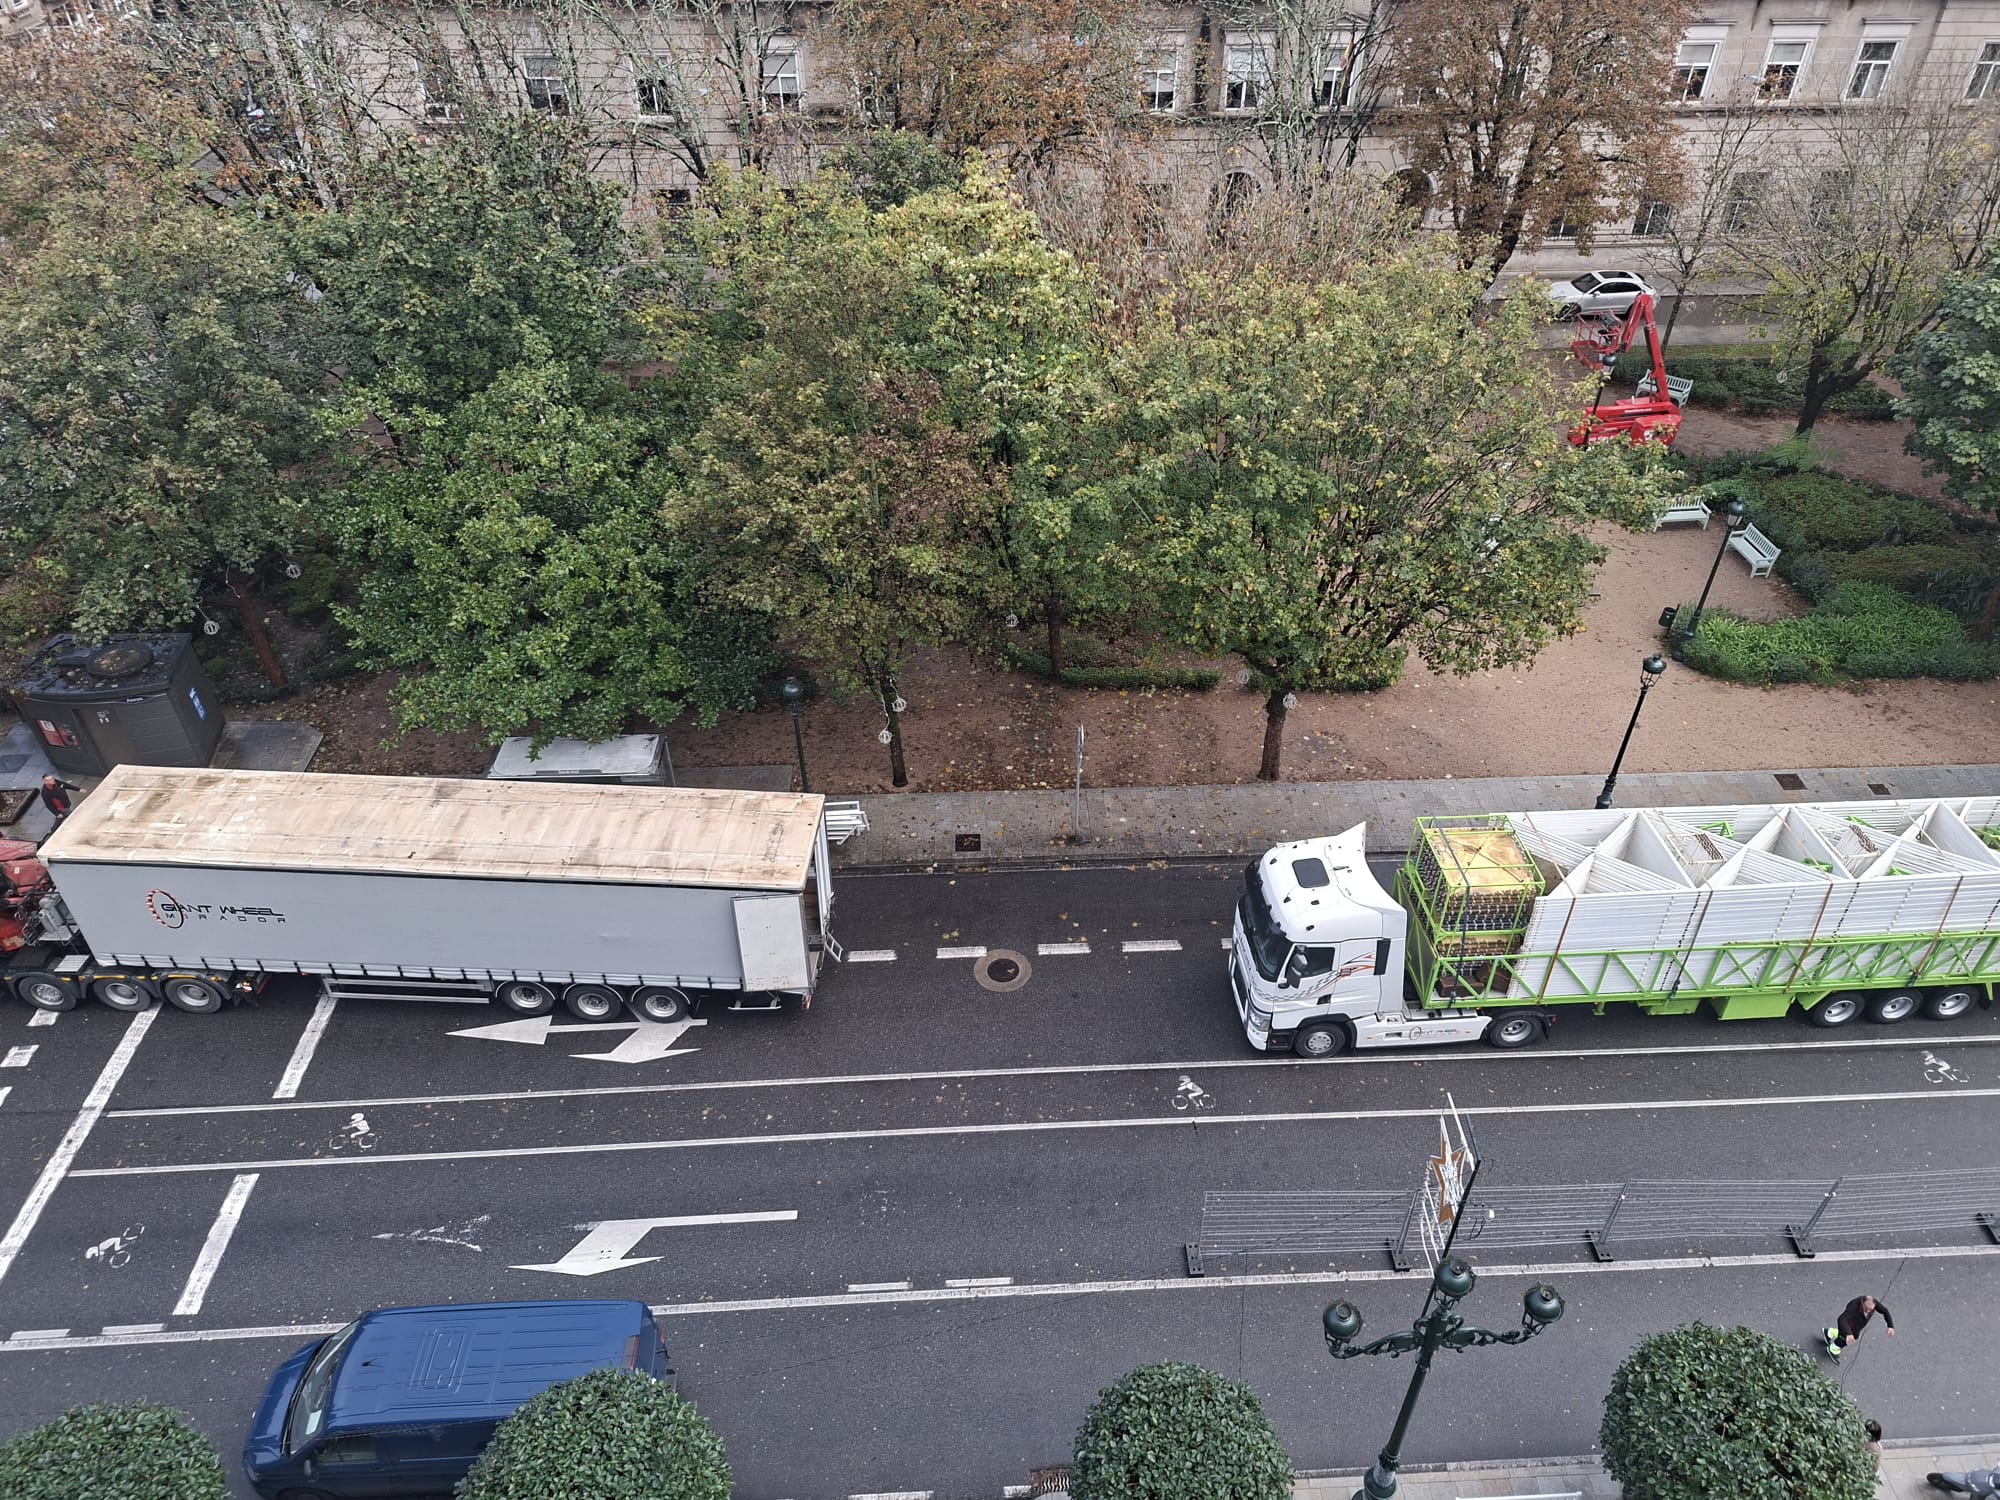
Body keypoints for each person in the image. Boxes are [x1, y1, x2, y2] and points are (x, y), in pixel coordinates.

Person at [1824, 1293, 1895, 1358]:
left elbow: (1885, 1311)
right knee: (1847, 1338)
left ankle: (1829, 1333)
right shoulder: (1853, 1307)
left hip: (1857, 1325)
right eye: (1866, 1308)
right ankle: (1832, 1350)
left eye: (1871, 1310)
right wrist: (1848, 1333)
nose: (1868, 1311)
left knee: (1853, 1335)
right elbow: (1842, 1319)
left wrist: (1890, 1325)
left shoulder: (1873, 1303)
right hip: (1848, 1324)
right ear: (1862, 1303)